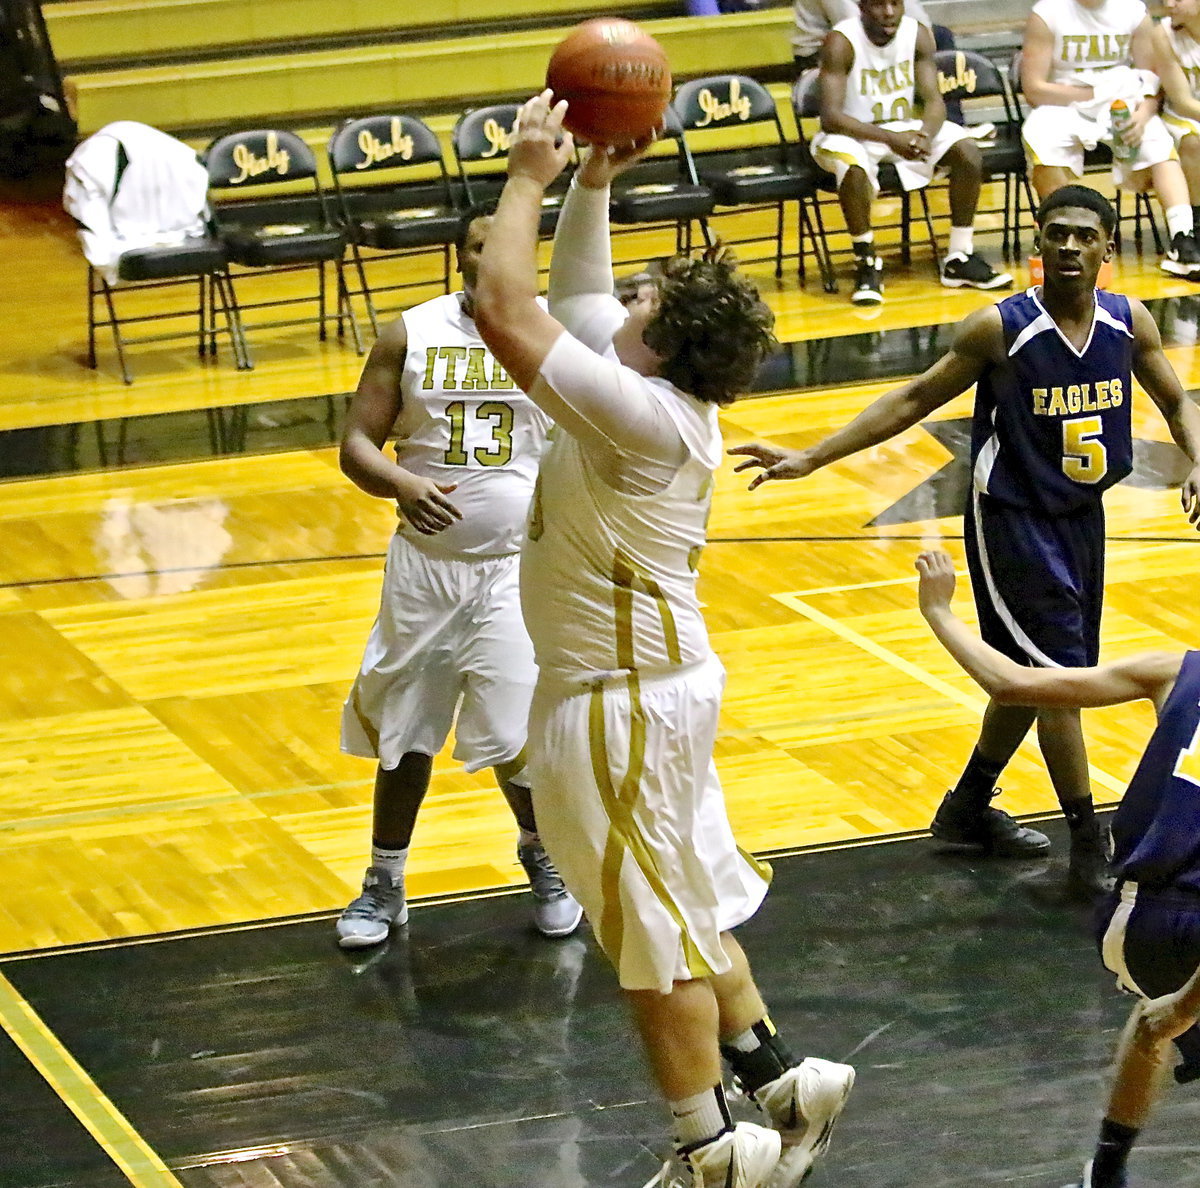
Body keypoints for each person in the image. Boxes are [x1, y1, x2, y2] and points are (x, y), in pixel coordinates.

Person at [473, 90, 856, 1188]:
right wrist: (594, 182)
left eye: (643, 298)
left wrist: (529, 176)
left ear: (663, 342)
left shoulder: (640, 418)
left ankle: (711, 1147)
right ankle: (784, 1083)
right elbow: (575, 298)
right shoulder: (650, 397)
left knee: (650, 937)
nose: (624, 299)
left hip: (619, 702)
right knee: (678, 905)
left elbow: (506, 308)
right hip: (647, 692)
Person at [732, 184, 1200, 899]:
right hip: (1013, 519)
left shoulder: (1127, 321)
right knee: (1060, 676)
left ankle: (968, 806)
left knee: (1032, 668)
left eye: (1084, 236)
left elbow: (1176, 399)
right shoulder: (1000, 327)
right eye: (1056, 233)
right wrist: (813, 457)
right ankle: (1087, 843)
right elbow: (914, 399)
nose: (1068, 246)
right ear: (1037, 242)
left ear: (1108, 248)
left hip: (1082, 515)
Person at [334, 201, 582, 948]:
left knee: (513, 731)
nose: (490, 256)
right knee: (405, 731)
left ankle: (545, 858)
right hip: (424, 569)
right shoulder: (410, 333)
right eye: (478, 246)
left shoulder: (556, 334)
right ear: (460, 257)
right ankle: (385, 882)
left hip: (515, 569)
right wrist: (400, 483)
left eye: (504, 244)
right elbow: (356, 444)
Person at [913, 549, 1200, 1188]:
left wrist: (938, 611)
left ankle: (1105, 1174)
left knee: (1153, 1024)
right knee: (1175, 1012)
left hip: (1133, 922)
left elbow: (1014, 685)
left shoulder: (1176, 669)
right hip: (1193, 921)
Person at [811, 0, 1012, 305]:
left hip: (904, 128)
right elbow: (831, 117)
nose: (889, 12)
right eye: (879, 5)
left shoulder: (917, 34)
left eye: (895, 3)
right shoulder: (841, 41)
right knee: (852, 166)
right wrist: (890, 138)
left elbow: (933, 101)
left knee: (966, 150)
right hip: (850, 133)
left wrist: (925, 135)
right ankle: (866, 262)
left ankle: (959, 256)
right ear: (862, 6)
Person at [1020, 0, 1200, 278]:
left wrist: (1144, 113)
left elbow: (1152, 81)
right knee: (1042, 140)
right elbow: (1034, 89)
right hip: (1063, 103)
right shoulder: (1047, 13)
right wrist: (1095, 95)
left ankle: (1182, 239)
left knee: (1159, 143)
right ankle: (1063, 234)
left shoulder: (1133, 11)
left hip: (1124, 104)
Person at [1154, 0, 1200, 235]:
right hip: (1183, 114)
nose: (1169, 4)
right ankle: (1196, 225)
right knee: (1193, 141)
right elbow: (1182, 102)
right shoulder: (1163, 34)